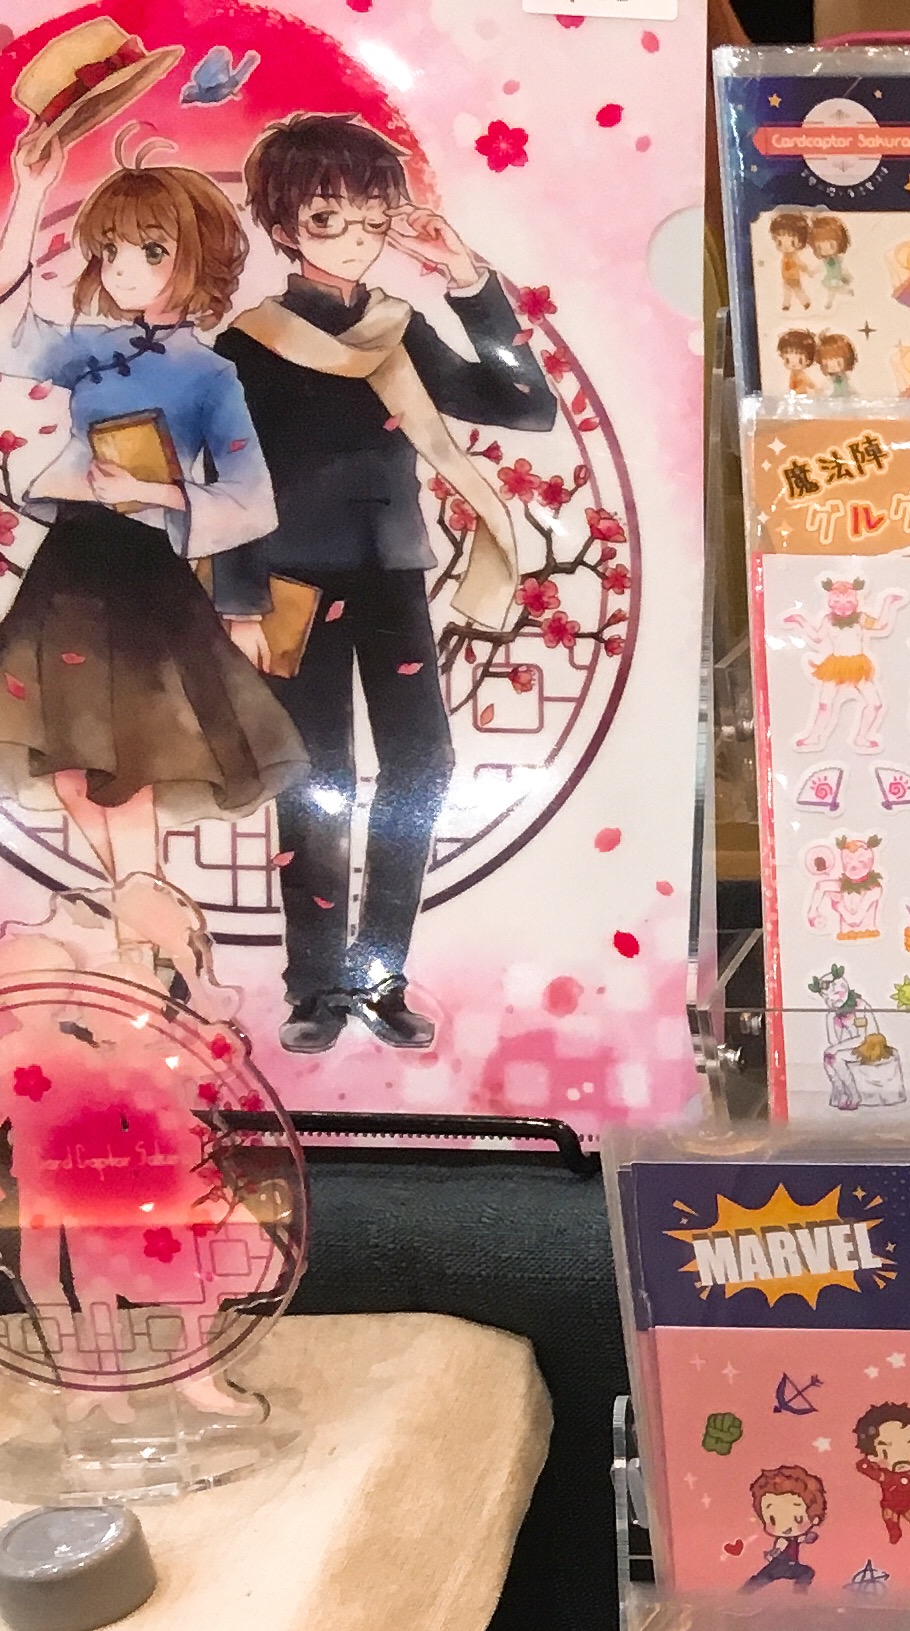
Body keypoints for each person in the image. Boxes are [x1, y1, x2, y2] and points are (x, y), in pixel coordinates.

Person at [0, 117, 304, 998]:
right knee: (70, 770)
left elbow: (253, 497)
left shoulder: (209, 374)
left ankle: (149, 952)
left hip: (142, 573)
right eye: (111, 252)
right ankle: (161, 938)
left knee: (121, 766)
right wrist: (29, 196)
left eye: (150, 251)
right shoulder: (92, 348)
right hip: (70, 563)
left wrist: (160, 494)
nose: (125, 269)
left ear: (196, 258)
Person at [213, 112, 559, 1056]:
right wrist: (237, 601)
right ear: (282, 226)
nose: (356, 238)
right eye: (329, 218)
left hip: (393, 573)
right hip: (288, 582)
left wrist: (468, 279)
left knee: (424, 766)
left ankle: (379, 973)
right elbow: (228, 479)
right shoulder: (248, 344)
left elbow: (527, 406)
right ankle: (315, 987)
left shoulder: (399, 329)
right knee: (314, 777)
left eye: (374, 218)